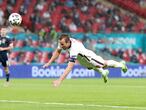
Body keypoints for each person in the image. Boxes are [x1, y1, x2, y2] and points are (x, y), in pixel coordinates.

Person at [43, 34, 128, 87]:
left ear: (68, 42)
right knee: (91, 67)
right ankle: (104, 73)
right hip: (82, 59)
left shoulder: (74, 49)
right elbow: (58, 51)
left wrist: (60, 80)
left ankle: (121, 65)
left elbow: (69, 67)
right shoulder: (63, 41)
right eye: (60, 44)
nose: (61, 46)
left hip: (90, 58)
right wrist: (49, 62)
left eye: (62, 44)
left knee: (104, 64)